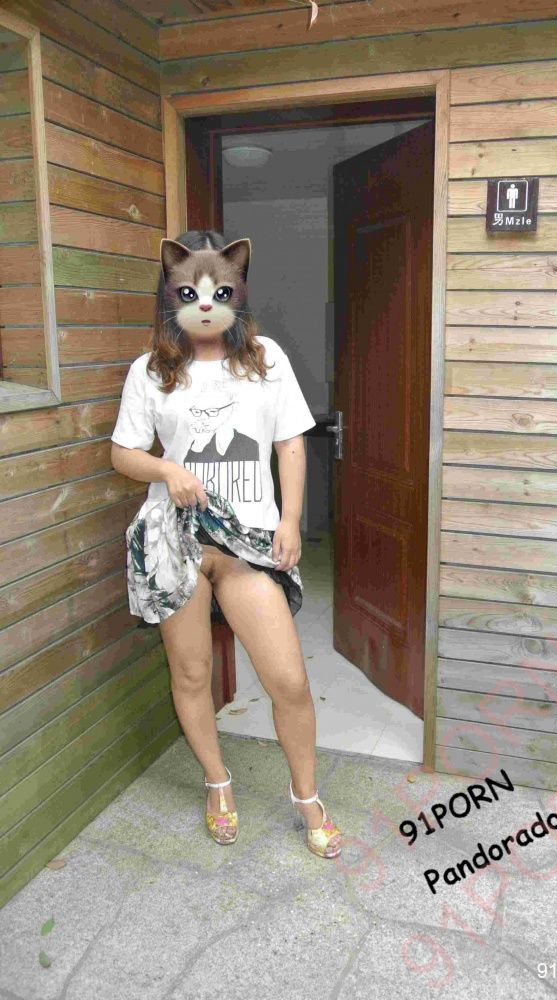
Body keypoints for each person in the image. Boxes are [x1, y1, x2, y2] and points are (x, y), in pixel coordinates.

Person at [110, 229, 342, 860]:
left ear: (238, 291)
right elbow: (123, 453)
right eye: (190, 291)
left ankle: (307, 795)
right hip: (175, 542)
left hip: (247, 546)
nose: (206, 303)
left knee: (288, 680)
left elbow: (290, 443)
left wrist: (290, 520)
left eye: (220, 290)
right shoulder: (151, 370)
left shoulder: (265, 359)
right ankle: (217, 783)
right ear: (171, 293)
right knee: (191, 674)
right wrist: (166, 469)